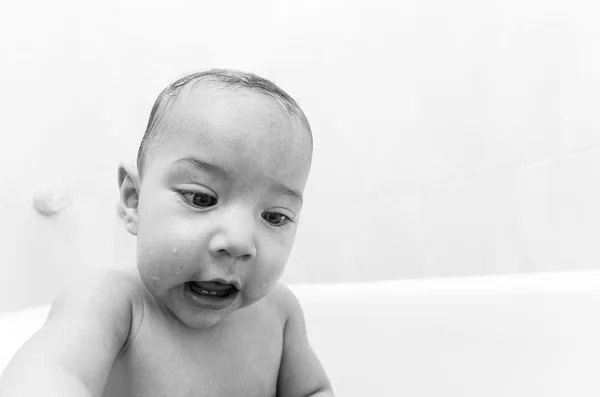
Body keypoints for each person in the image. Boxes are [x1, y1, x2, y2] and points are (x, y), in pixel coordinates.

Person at [0, 69, 333, 397]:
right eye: (202, 198)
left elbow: (313, 390)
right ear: (134, 200)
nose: (238, 242)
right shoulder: (112, 304)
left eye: (274, 216)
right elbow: (49, 372)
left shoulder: (279, 313)